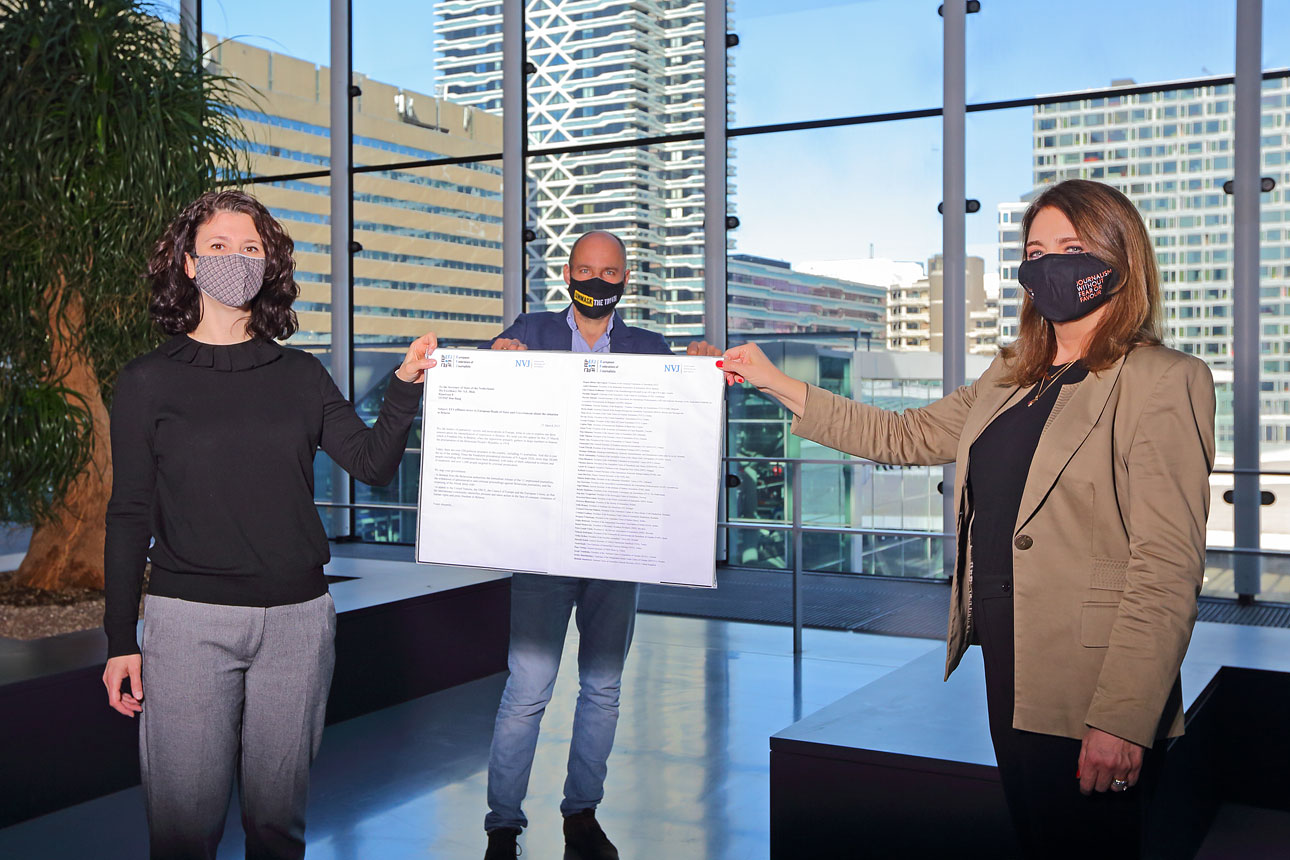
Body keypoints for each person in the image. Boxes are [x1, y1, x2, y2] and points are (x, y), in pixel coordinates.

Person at [721, 179, 1215, 860]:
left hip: (1093, 681)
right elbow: (902, 435)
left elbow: (1167, 565)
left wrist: (1124, 718)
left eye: (1072, 247)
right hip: (1011, 661)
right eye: (1035, 249)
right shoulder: (1011, 375)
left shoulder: (1163, 379)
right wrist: (774, 380)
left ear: (1119, 258)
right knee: (1037, 839)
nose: (1049, 264)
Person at [101, 190, 437, 860]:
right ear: (190, 265)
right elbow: (129, 513)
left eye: (250, 248)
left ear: (269, 263)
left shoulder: (300, 374)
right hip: (188, 623)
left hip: (297, 625)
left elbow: (371, 464)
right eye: (218, 247)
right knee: (183, 833)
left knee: (278, 829)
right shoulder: (146, 383)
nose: (236, 259)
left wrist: (403, 385)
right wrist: (119, 639)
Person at [483, 230, 720, 860]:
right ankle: (502, 825)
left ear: (626, 278)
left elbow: (680, 431)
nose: (597, 281)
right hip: (543, 542)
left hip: (619, 540)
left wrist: (705, 377)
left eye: (609, 272)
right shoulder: (528, 332)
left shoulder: (651, 349)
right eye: (585, 269)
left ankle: (581, 816)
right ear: (567, 272)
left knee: (603, 686)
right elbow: (479, 408)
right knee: (527, 685)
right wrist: (492, 359)